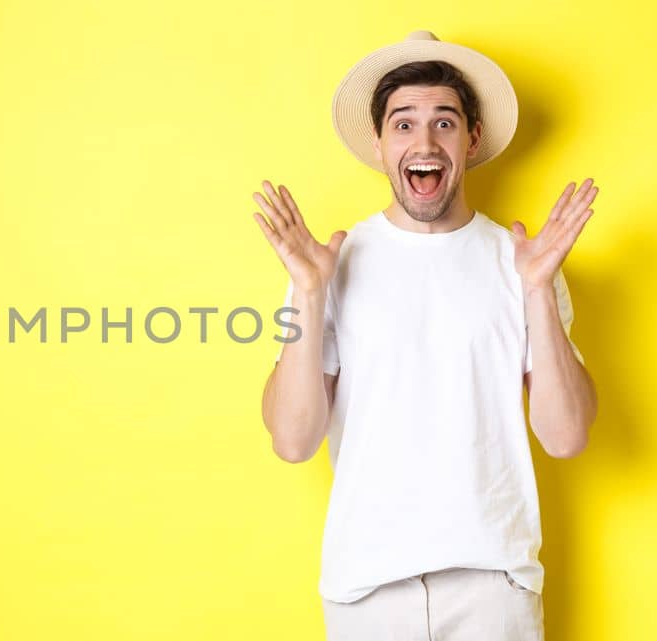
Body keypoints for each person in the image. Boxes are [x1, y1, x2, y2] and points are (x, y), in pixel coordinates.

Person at [250, 31, 599, 640]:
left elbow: (566, 435)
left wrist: (539, 288)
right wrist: (308, 291)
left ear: (472, 139)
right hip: (367, 592)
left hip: (494, 587)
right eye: (404, 124)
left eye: (444, 121)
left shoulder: (522, 262)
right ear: (382, 146)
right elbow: (291, 439)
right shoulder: (328, 265)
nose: (425, 140)